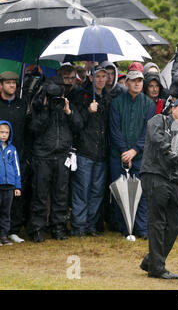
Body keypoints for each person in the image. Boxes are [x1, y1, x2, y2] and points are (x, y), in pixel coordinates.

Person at [139, 97, 178, 279]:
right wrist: (171, 152)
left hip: (171, 179)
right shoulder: (159, 120)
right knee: (158, 221)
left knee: (176, 221)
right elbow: (157, 139)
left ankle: (152, 260)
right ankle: (157, 268)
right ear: (173, 109)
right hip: (154, 175)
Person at [28, 81, 83, 242]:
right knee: (40, 194)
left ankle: (59, 228)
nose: (55, 100)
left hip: (62, 156)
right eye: (52, 97)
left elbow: (79, 126)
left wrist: (68, 111)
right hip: (43, 156)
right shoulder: (38, 107)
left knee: (61, 195)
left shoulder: (66, 107)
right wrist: (45, 109)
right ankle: (37, 229)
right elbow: (33, 129)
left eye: (58, 97)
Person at [110, 70, 156, 239]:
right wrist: (124, 151)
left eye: (140, 81)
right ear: (127, 83)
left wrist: (134, 150)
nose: (137, 83)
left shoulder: (149, 104)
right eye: (133, 81)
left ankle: (141, 228)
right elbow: (114, 130)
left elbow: (148, 131)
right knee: (121, 193)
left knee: (141, 193)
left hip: (140, 156)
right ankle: (124, 228)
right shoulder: (116, 103)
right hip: (118, 155)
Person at [70, 65, 111, 237]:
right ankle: (79, 227)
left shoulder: (108, 98)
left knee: (96, 192)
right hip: (85, 151)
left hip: (102, 153)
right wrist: (88, 111)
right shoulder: (82, 96)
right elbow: (76, 123)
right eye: (98, 76)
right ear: (91, 78)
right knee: (82, 191)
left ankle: (91, 225)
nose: (101, 79)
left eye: (104, 76)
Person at [0, 72, 29, 243]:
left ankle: (13, 229)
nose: (12, 86)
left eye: (14, 83)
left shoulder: (22, 104)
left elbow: (27, 131)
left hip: (18, 156)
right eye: (8, 83)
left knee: (16, 194)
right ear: (1, 85)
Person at [0, 121, 21, 246]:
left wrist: (17, 186)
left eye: (6, 133)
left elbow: (17, 168)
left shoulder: (12, 150)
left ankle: (4, 235)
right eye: (1, 132)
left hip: (9, 187)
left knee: (6, 212)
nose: (3, 135)